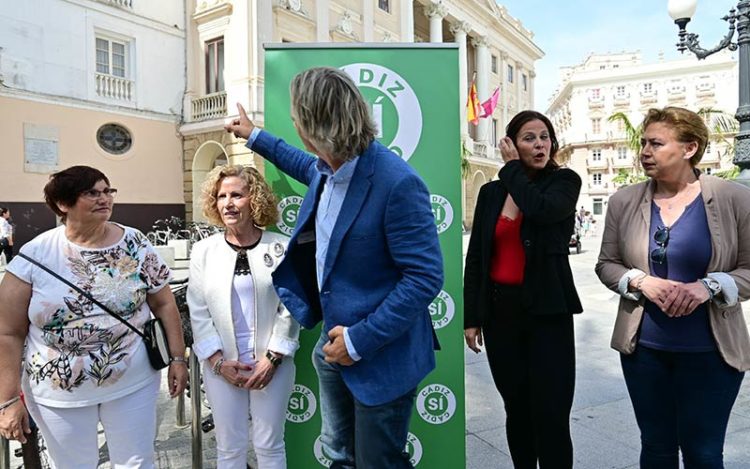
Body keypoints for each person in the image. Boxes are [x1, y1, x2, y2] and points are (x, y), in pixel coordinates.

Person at [225, 66, 443, 469]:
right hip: (331, 348)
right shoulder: (325, 171)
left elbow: (425, 277)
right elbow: (296, 161)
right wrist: (252, 135)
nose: (292, 122)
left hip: (380, 352)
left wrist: (359, 340)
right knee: (338, 457)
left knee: (380, 462)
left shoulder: (397, 183)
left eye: (296, 115)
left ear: (314, 123)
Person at [0, 165, 187, 467]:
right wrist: (7, 400)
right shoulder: (35, 256)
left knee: (137, 463)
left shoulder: (135, 242)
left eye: (107, 191)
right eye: (91, 193)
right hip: (58, 394)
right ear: (63, 204)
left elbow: (164, 303)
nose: (104, 199)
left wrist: (178, 359)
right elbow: (7, 332)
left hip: (133, 381)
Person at [595, 106, 750, 468]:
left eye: (656, 143)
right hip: (644, 352)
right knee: (657, 449)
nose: (644, 151)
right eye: (644, 143)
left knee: (704, 454)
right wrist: (639, 281)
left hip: (712, 354)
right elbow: (606, 264)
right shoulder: (623, 200)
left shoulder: (735, 199)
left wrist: (709, 286)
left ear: (690, 148)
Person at [464, 110, 583, 469]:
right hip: (503, 314)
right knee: (516, 409)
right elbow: (478, 258)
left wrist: (512, 169)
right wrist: (472, 317)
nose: (539, 144)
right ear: (512, 144)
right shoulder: (490, 193)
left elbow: (542, 211)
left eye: (544, 136)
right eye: (529, 138)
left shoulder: (564, 182)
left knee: (551, 413)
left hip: (548, 313)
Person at [187, 164, 300, 468]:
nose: (228, 203)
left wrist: (273, 358)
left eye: (236, 195)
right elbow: (197, 311)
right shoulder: (203, 251)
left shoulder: (280, 246)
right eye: (221, 196)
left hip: (271, 365)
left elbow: (290, 307)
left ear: (256, 199)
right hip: (222, 366)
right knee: (229, 447)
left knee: (270, 444)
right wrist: (217, 362)